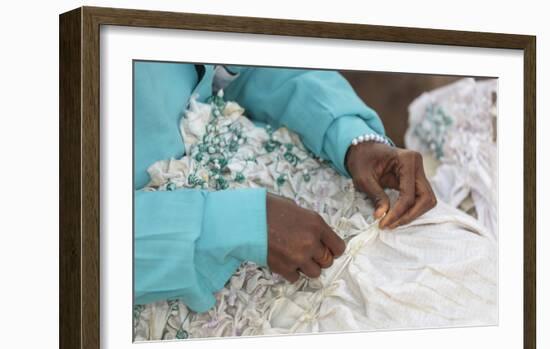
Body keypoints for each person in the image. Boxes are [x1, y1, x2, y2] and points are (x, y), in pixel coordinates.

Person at [134, 62, 437, 313]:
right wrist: (235, 226)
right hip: (160, 265)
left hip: (259, 157)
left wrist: (352, 137)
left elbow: (253, 59)